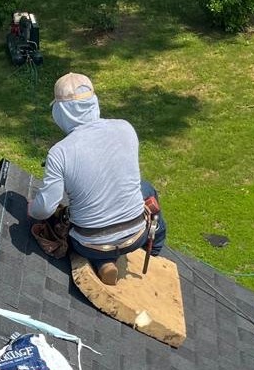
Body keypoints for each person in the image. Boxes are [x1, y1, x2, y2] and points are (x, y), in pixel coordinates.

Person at [28, 73, 166, 285]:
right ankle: (153, 250)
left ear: (60, 111)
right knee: (147, 189)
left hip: (88, 243)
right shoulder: (125, 128)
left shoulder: (60, 153)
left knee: (82, 222)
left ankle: (103, 261)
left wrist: (31, 209)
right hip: (137, 234)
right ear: (93, 103)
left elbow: (44, 209)